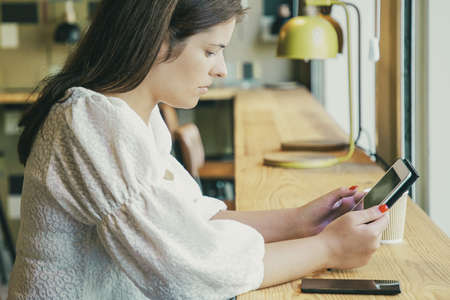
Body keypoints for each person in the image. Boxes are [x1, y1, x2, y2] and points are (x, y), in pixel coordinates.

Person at [8, 1, 390, 299]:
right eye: (211, 51)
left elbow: (190, 225)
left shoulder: (137, 117)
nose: (221, 68)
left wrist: (301, 222)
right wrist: (328, 248)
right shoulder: (89, 124)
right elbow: (186, 271)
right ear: (157, 42)